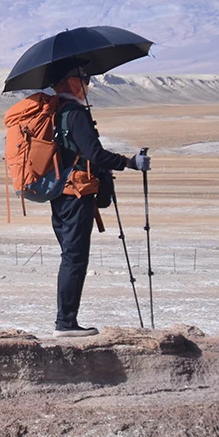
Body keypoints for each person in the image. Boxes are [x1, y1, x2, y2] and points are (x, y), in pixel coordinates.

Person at [50, 69, 150, 338]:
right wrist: (129, 162)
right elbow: (95, 154)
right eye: (85, 80)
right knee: (75, 258)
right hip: (76, 194)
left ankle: (66, 320)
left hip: (59, 193)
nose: (87, 85)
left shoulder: (54, 112)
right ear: (72, 82)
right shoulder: (75, 113)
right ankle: (66, 323)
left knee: (69, 257)